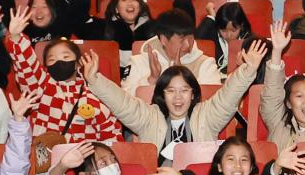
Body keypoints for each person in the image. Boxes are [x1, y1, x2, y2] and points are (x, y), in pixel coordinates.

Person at [86, 38, 263, 164]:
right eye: (171, 91)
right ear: (162, 95)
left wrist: (248, 70)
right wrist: (95, 80)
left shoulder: (207, 115)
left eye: (184, 90)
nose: (178, 97)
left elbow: (227, 97)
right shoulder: (149, 117)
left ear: (193, 94)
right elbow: (123, 104)